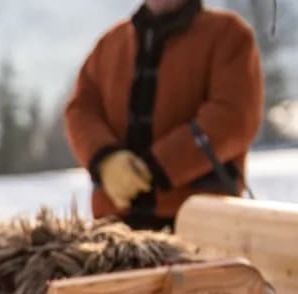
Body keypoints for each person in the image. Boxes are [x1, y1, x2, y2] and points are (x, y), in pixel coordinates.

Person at [64, 0, 263, 230]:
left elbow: (232, 118)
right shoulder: (110, 44)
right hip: (115, 228)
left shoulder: (228, 35)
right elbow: (80, 110)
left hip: (204, 227)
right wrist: (106, 160)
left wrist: (155, 168)